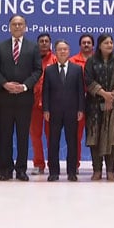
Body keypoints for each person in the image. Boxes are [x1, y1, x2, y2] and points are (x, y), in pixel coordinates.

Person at [0, 15, 42, 181]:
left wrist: (24, 86)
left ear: (25, 27)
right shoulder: (0, 47)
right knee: (5, 134)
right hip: (5, 98)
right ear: (9, 27)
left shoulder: (33, 47)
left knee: (22, 136)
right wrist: (5, 84)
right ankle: (6, 169)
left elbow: (37, 70)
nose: (18, 26)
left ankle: (21, 169)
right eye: (14, 24)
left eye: (20, 24)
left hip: (24, 98)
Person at [84, 34, 114, 181]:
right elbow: (88, 80)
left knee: (113, 136)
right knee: (94, 137)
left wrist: (112, 95)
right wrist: (103, 94)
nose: (109, 45)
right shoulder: (91, 61)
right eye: (106, 43)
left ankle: (110, 170)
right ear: (100, 45)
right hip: (95, 105)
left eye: (111, 42)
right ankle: (97, 169)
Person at [42, 40, 85, 182]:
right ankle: (53, 172)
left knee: (72, 142)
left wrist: (80, 109)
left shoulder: (77, 69)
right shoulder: (49, 70)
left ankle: (72, 172)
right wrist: (46, 109)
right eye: (59, 49)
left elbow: (80, 91)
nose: (62, 52)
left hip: (72, 111)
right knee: (53, 142)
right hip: (53, 112)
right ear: (55, 51)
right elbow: (45, 91)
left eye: (65, 49)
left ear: (69, 51)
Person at [30, 33, 57, 175]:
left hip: (51, 105)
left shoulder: (55, 60)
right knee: (35, 135)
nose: (44, 43)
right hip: (33, 104)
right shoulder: (31, 59)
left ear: (50, 44)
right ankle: (39, 163)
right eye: (41, 41)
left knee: (51, 135)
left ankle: (53, 163)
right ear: (37, 43)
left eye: (47, 41)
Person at [69, 34, 94, 169]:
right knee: (76, 136)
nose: (86, 45)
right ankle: (75, 165)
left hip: (95, 103)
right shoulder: (72, 61)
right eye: (83, 42)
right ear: (80, 45)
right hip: (77, 104)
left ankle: (98, 166)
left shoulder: (98, 60)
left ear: (93, 45)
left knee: (96, 136)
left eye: (88, 43)